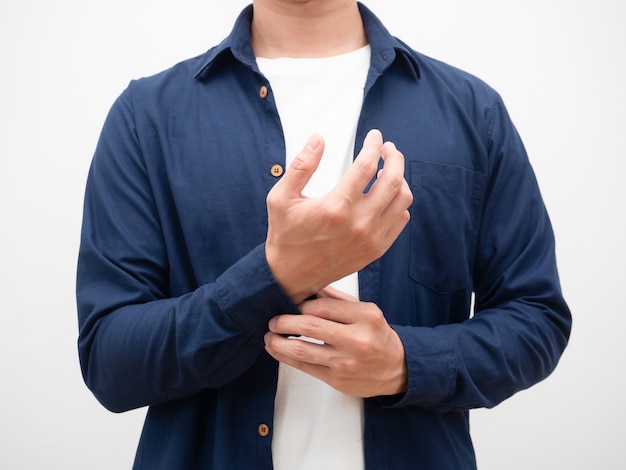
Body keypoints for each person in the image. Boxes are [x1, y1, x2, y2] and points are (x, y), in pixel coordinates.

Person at [76, 1, 572, 468]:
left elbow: (536, 317)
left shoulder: (471, 111)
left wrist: (405, 364)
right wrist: (276, 276)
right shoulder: (147, 117)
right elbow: (109, 360)